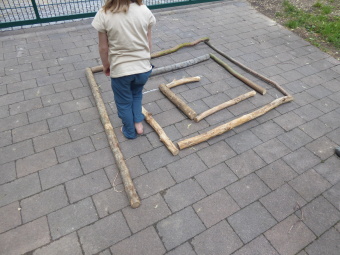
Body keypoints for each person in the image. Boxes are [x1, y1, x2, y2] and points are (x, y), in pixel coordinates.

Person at [92, 0, 156, 139]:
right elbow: (148, 43)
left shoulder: (104, 14)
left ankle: (129, 131)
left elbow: (103, 48)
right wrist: (144, 60)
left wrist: (106, 65)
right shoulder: (144, 11)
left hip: (121, 70)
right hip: (143, 68)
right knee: (136, 94)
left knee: (123, 101)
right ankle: (138, 123)